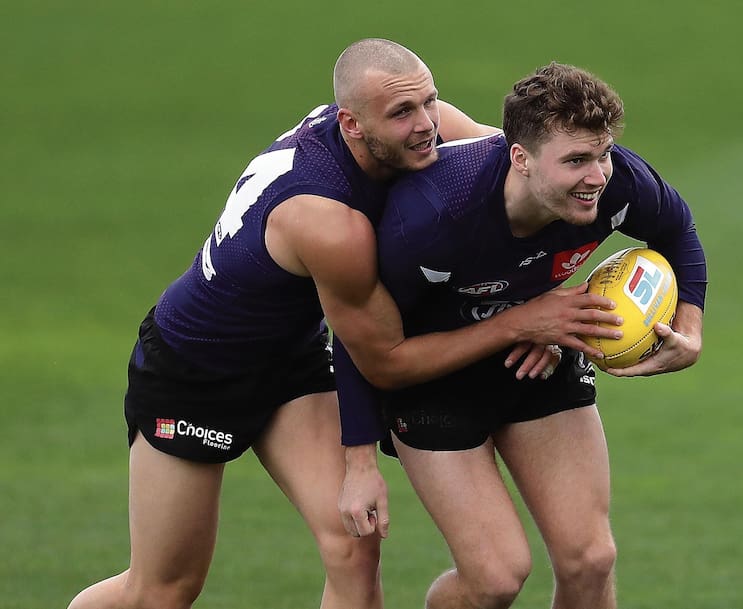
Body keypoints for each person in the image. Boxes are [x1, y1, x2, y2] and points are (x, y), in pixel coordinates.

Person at [67, 41, 624, 609]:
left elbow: (518, 183)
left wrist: (546, 290)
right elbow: (382, 356)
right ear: (352, 125)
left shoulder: (412, 125)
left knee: (356, 541)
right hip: (194, 368)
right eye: (403, 114)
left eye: (429, 101)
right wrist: (524, 321)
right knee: (162, 591)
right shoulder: (328, 222)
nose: (427, 125)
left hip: (293, 362)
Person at [355, 62, 707, 609]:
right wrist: (521, 321)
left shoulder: (614, 185)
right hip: (434, 380)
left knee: (590, 560)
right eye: (576, 161)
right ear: (519, 158)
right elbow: (374, 354)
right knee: (495, 579)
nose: (597, 176)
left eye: (603, 153)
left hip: (541, 354)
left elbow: (677, 228)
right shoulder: (429, 217)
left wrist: (689, 330)